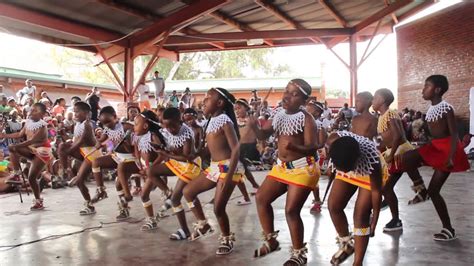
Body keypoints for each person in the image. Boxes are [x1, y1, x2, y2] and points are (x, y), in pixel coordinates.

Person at [250, 79, 319, 265]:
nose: (287, 96)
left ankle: (299, 254)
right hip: (281, 168)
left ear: (304, 102)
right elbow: (262, 135)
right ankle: (271, 241)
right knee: (261, 198)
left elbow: (313, 148)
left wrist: (295, 145)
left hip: (303, 168)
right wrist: (253, 122)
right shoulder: (279, 114)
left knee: (291, 210)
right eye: (286, 91)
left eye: (294, 94)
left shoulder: (307, 119)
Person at [402, 75, 469, 241]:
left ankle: (448, 229)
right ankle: (420, 190)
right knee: (407, 158)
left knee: (435, 191)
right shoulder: (430, 109)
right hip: (436, 147)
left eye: (427, 86)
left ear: (437, 90)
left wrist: (451, 156)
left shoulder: (446, 108)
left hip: (448, 150)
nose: (423, 90)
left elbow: (454, 135)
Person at [183, 87, 244, 255]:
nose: (203, 101)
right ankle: (203, 223)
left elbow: (236, 150)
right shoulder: (210, 121)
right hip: (215, 167)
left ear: (219, 103)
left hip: (228, 167)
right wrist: (196, 154)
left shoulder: (225, 120)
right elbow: (210, 149)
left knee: (218, 208)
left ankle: (226, 238)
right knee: (188, 191)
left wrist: (230, 176)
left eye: (208, 98)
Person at [372, 88, 428, 232]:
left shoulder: (390, 114)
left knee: (386, 187)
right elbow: (388, 137)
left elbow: (397, 136)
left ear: (383, 100)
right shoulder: (382, 116)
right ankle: (419, 192)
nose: (373, 100)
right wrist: (382, 148)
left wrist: (391, 155)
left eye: (375, 98)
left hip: (400, 151)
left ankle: (396, 219)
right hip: (395, 151)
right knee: (387, 187)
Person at [327, 131, 386, 265]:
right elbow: (330, 153)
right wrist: (331, 165)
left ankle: (357, 262)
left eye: (347, 169)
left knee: (361, 215)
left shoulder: (373, 161)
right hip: (345, 158)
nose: (346, 171)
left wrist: (375, 221)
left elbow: (376, 192)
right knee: (334, 205)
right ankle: (347, 243)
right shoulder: (332, 141)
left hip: (367, 169)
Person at [140, 108, 201, 240]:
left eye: (173, 126)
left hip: (189, 167)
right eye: (167, 126)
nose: (170, 130)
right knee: (151, 171)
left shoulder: (187, 134)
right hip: (176, 163)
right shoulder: (166, 130)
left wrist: (166, 154)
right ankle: (167, 192)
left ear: (180, 121)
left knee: (176, 199)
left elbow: (187, 157)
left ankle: (185, 229)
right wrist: (161, 149)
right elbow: (171, 149)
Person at [114, 110, 170, 221]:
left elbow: (162, 156)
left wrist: (150, 169)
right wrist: (125, 144)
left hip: (153, 168)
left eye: (136, 124)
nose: (133, 127)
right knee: (122, 166)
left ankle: (151, 219)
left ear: (145, 126)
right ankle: (127, 195)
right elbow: (136, 153)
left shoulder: (153, 137)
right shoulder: (137, 137)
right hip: (143, 166)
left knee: (144, 195)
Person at [1, 103, 51, 210]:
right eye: (31, 110)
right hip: (31, 149)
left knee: (31, 177)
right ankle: (16, 173)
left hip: (42, 151)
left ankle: (38, 201)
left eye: (35, 111)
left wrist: (16, 146)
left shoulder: (42, 127)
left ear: (42, 114)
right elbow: (19, 134)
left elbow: (31, 141)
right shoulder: (28, 122)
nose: (31, 112)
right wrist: (4, 135)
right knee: (12, 148)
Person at [57, 102, 97, 214]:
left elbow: (80, 141)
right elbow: (75, 140)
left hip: (90, 154)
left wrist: (68, 152)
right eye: (74, 111)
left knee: (79, 181)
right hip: (82, 153)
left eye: (77, 111)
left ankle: (89, 205)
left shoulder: (87, 124)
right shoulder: (77, 124)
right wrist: (64, 135)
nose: (75, 114)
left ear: (86, 113)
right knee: (62, 146)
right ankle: (64, 171)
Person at [234, 98, 260, 205]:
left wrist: (260, 146)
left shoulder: (251, 120)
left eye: (240, 108)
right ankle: (255, 187)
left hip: (250, 148)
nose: (237, 111)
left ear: (246, 108)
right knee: (241, 171)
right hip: (239, 148)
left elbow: (259, 135)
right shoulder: (235, 121)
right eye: (236, 109)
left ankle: (248, 194)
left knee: (238, 172)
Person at [305, 99, 328, 214]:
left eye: (310, 107)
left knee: (313, 181)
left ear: (317, 113)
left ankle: (317, 202)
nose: (306, 108)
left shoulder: (318, 125)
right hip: (301, 156)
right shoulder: (302, 120)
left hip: (310, 156)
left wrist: (308, 147)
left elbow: (321, 143)